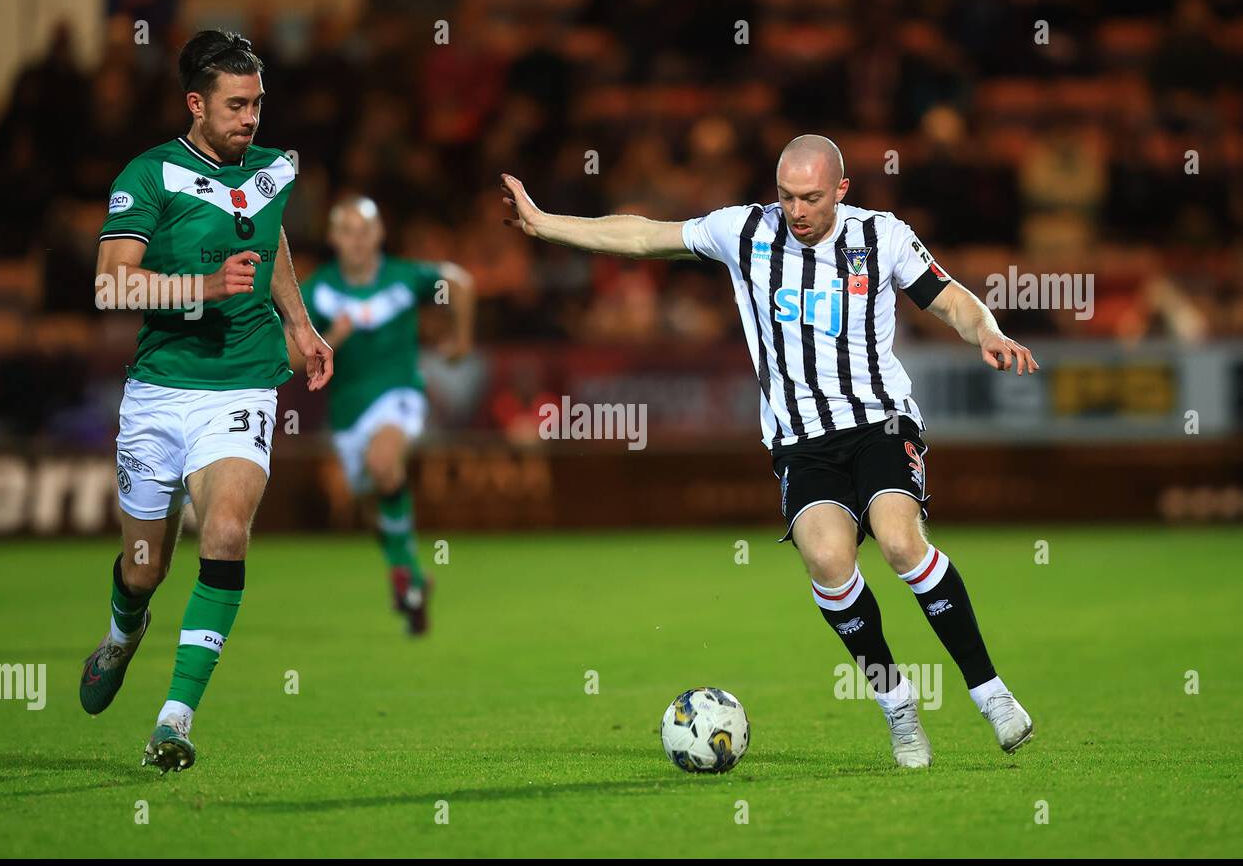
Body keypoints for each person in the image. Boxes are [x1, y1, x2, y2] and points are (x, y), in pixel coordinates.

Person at [500, 135, 1040, 768]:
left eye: (811, 197)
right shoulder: (744, 232)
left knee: (898, 541)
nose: (797, 210)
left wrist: (988, 330)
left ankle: (990, 692)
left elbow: (949, 298)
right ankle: (898, 707)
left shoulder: (884, 236)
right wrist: (544, 224)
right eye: (786, 196)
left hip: (880, 422)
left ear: (842, 189)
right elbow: (645, 235)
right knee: (828, 560)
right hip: (800, 439)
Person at [78, 30, 333, 773]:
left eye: (257, 103)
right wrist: (201, 288)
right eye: (235, 104)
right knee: (144, 567)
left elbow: (273, 236)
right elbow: (109, 285)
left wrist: (300, 322)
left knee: (224, 531)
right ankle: (124, 633)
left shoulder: (274, 168)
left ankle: (175, 719)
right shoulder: (149, 175)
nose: (250, 117)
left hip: (243, 383)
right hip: (159, 392)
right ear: (196, 103)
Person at [299, 195, 475, 634]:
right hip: (346, 413)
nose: (358, 241)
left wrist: (462, 340)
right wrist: (328, 338)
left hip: (400, 395)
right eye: (348, 231)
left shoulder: (403, 276)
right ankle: (412, 575)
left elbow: (462, 282)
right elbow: (286, 355)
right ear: (333, 237)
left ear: (379, 235)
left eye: (366, 231)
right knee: (373, 499)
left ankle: (404, 575)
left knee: (384, 463)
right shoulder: (317, 291)